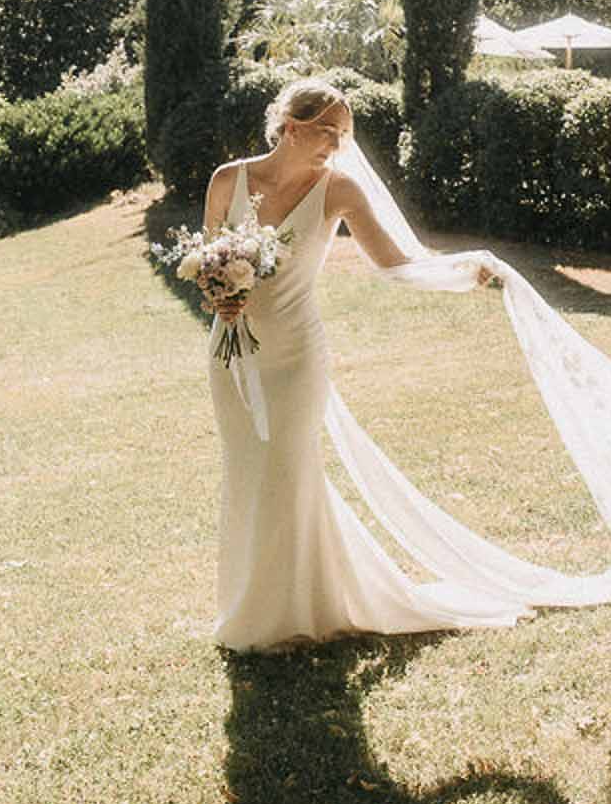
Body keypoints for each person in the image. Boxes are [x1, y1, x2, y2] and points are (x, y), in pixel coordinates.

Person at [199, 77, 524, 651]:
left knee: (288, 470)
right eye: (329, 132)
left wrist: (462, 272)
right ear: (292, 126)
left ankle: (296, 615)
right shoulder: (228, 180)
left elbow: (395, 262)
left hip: (296, 354)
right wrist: (217, 294)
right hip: (233, 352)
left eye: (344, 136)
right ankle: (254, 607)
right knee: (248, 471)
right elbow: (206, 263)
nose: (337, 145)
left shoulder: (339, 189)